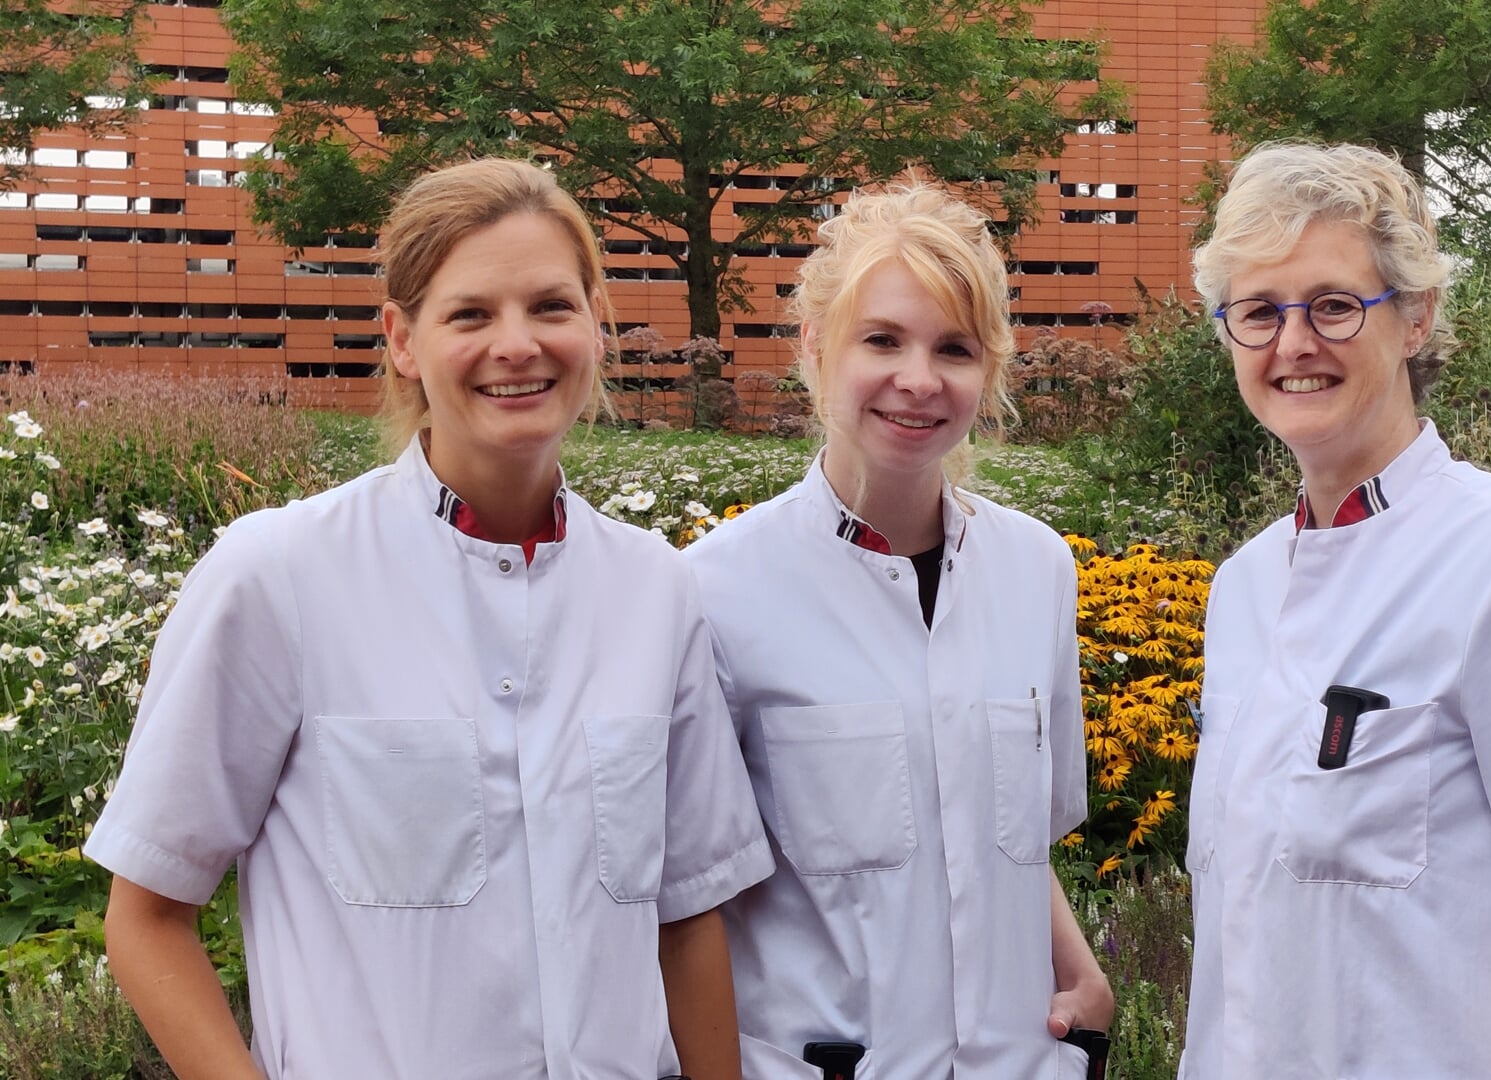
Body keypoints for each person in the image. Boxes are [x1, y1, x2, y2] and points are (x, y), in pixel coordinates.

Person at [85, 157, 772, 1080]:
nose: (518, 344)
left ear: (593, 325)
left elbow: (686, 915)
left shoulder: (654, 587)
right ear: (403, 340)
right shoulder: (281, 575)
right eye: (471, 314)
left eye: (552, 306)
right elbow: (147, 916)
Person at [1179, 142, 1491, 1079]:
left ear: (1413, 318)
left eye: (1331, 305)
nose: (1292, 344)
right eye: (1257, 311)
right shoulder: (1241, 587)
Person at [684, 182, 1113, 1079]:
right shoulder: (713, 591)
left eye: (953, 348)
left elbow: (1008, 835)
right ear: (813, 345)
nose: (918, 380)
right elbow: (686, 898)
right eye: (881, 339)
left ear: (987, 372)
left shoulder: (1036, 571)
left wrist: (1078, 966)